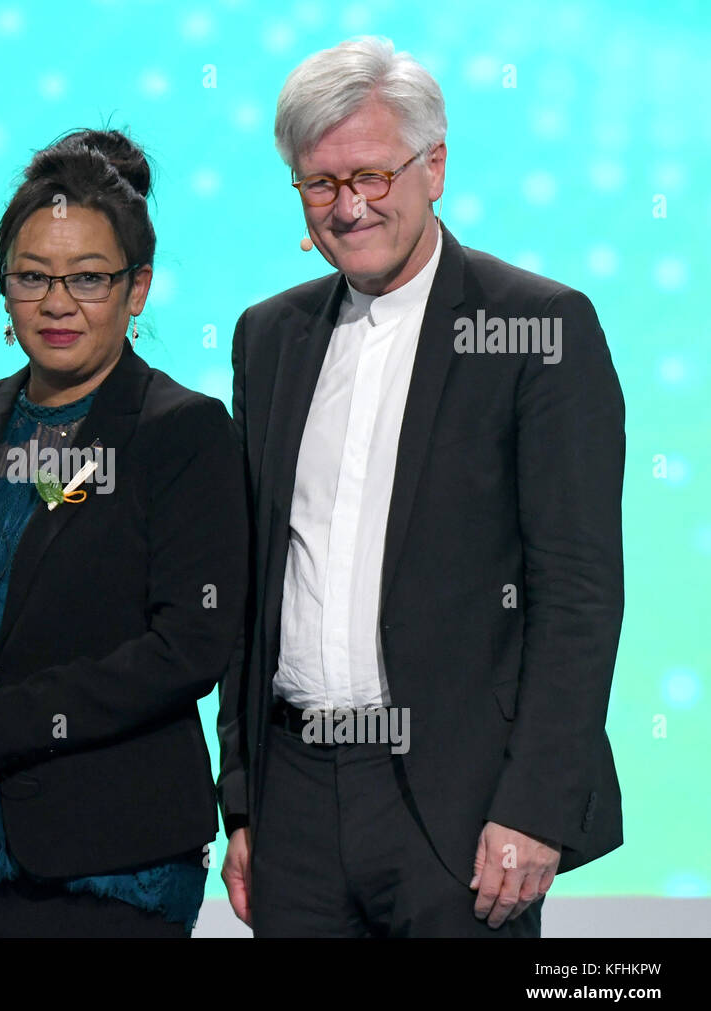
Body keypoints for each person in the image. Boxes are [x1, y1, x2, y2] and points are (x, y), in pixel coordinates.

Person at [217, 37, 625, 938]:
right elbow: (258, 583)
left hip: (463, 809)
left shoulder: (537, 326)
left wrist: (535, 806)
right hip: (295, 806)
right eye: (319, 184)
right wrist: (243, 802)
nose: (349, 207)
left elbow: (579, 593)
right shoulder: (269, 336)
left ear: (433, 166)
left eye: (371, 175)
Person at [0, 129, 248, 937]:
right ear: (3, 288)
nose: (57, 304)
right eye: (32, 278)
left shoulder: (181, 432)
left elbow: (190, 643)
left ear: (138, 287)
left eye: (87, 279)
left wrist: (1, 721)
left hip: (111, 861)